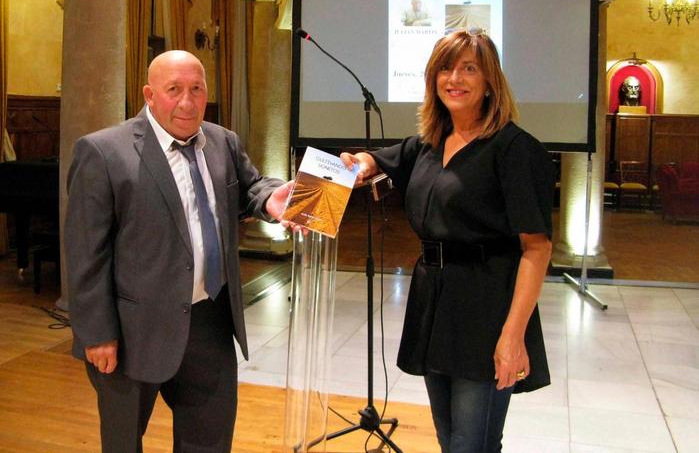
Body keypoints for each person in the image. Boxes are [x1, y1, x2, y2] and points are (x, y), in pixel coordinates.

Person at [64, 50, 299, 452]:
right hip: (133, 329)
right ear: (149, 94)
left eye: (196, 89)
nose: (187, 102)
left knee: (209, 441)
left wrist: (271, 198)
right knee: (123, 443)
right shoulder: (104, 152)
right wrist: (97, 332)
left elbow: (251, 186)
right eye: (174, 90)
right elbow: (87, 252)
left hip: (209, 322)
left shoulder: (222, 141)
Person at [341, 29, 553, 452]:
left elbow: (537, 248)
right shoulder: (428, 144)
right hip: (434, 304)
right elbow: (376, 160)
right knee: (448, 438)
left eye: (468, 68)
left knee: (471, 445)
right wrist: (358, 162)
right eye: (445, 68)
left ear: (490, 80)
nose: (454, 78)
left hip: (487, 307)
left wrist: (514, 336)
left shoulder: (514, 149)